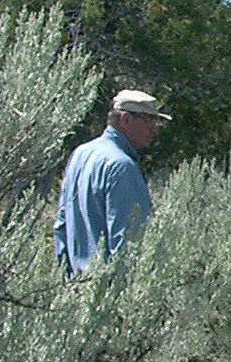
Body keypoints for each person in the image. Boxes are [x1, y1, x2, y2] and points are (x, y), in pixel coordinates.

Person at [54, 89, 170, 271]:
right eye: (149, 121)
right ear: (125, 120)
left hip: (75, 287)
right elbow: (130, 243)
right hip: (105, 289)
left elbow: (61, 226)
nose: (155, 130)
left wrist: (64, 282)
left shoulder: (80, 153)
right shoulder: (122, 166)